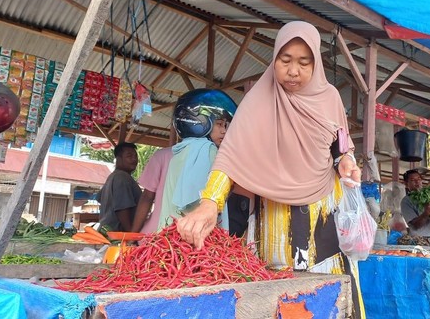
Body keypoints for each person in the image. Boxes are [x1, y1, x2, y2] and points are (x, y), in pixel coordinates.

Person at [174, 21, 364, 318]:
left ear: (316, 64)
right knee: (272, 301)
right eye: (285, 60)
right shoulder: (259, 100)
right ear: (274, 59)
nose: (293, 71)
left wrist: (348, 163)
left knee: (328, 303)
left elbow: (340, 147)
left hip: (324, 224)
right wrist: (210, 203)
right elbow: (231, 155)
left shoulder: (330, 99)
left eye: (304, 62)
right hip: (274, 226)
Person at [154, 88, 237, 231]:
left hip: (168, 240)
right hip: (193, 242)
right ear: (200, 122)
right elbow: (197, 206)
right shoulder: (206, 149)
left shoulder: (180, 151)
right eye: (219, 124)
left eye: (225, 125)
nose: (224, 131)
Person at [98, 142, 142, 232]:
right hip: (118, 234)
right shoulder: (122, 177)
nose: (134, 159)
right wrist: (130, 234)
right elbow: (122, 208)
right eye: (129, 156)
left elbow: (100, 199)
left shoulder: (112, 176)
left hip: (107, 231)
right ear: (118, 158)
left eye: (135, 156)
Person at [130, 147, 173, 233]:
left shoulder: (162, 155)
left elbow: (147, 197)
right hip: (196, 235)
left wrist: (132, 235)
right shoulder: (207, 157)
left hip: (158, 233)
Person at [400, 169, 430, 237]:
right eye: (413, 180)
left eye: (419, 179)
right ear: (406, 184)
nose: (417, 182)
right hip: (424, 241)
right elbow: (414, 226)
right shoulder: (406, 201)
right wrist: (426, 213)